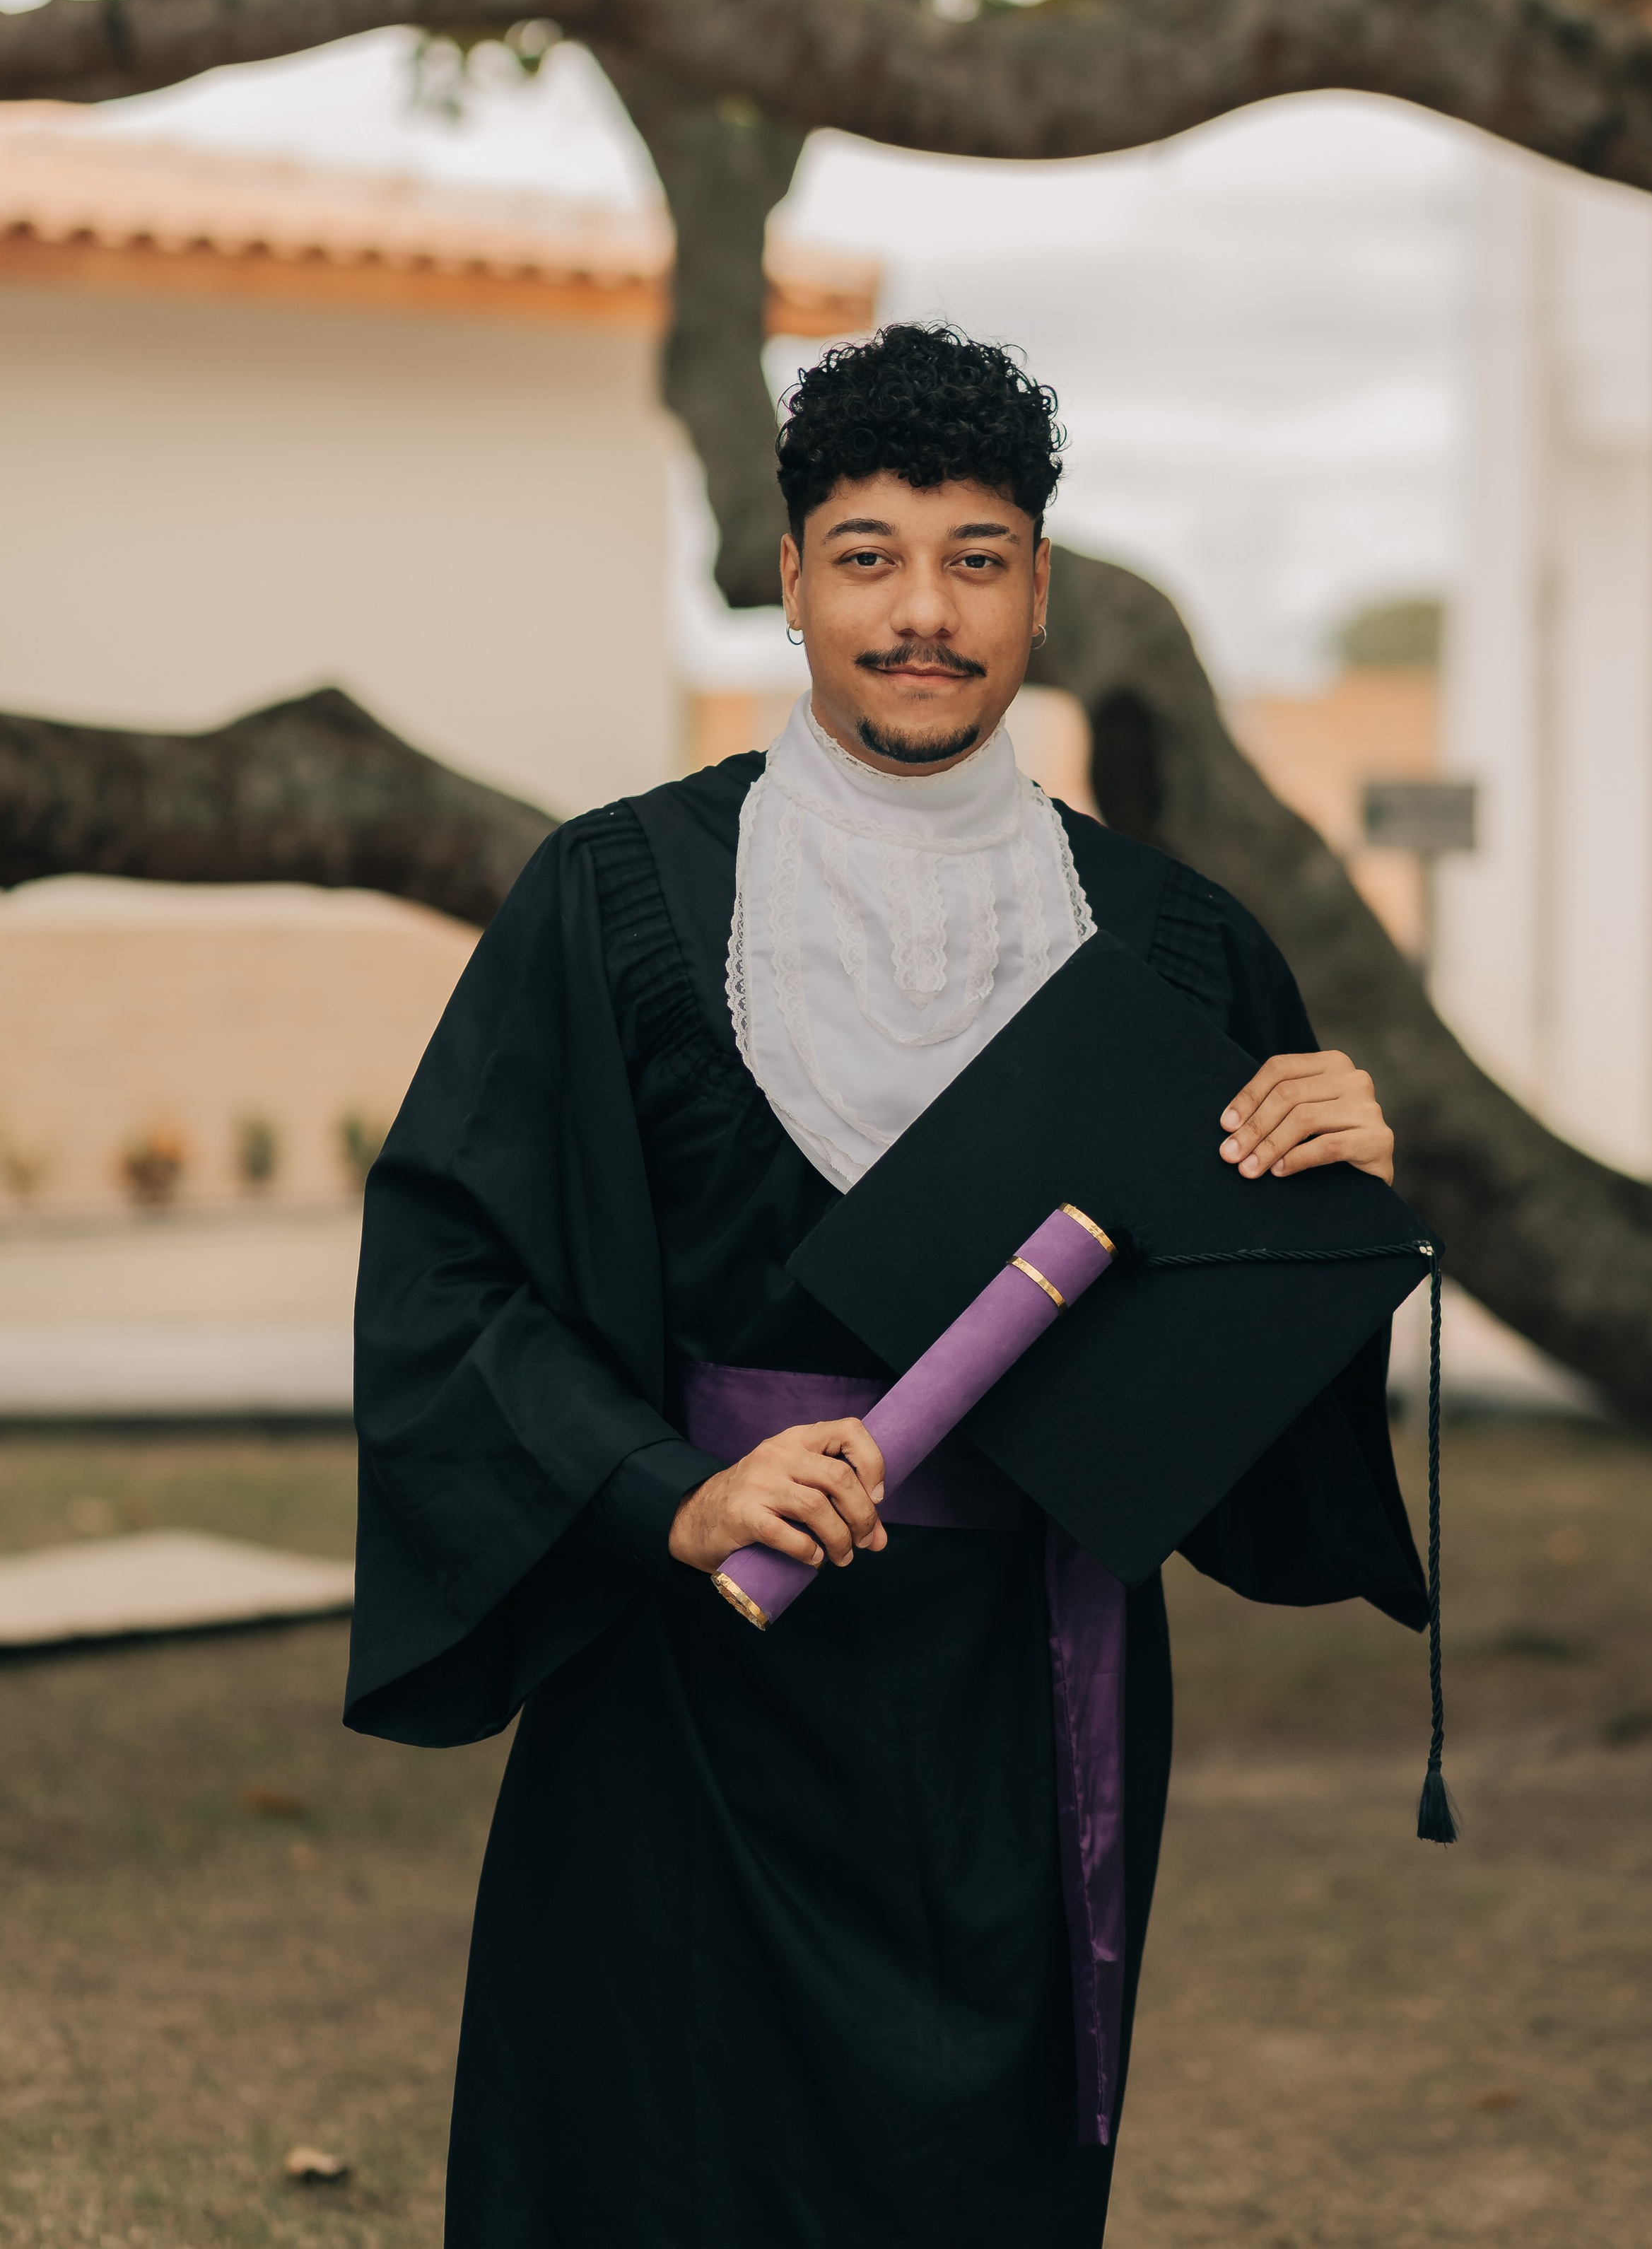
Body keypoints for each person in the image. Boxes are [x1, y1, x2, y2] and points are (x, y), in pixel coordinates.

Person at [344, 323, 1410, 2249]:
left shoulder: (1177, 954)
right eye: (869, 556)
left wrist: (1329, 1211)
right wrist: (671, 1492)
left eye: (976, 559)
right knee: (661, 2166)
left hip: (1025, 1709)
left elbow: (1236, 1425)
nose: (924, 612)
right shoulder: (615, 902)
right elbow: (453, 1284)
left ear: (1039, 588)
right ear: (790, 577)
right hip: (692, 1682)